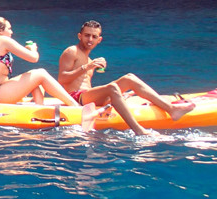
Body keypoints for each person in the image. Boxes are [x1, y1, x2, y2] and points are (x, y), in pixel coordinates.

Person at [57, 20, 195, 135]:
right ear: (79, 36)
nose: (90, 39)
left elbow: (87, 86)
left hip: (88, 97)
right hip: (75, 98)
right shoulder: (72, 51)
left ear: (99, 40)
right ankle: (139, 130)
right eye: (87, 35)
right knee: (112, 87)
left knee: (130, 78)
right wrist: (87, 68)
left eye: (94, 37)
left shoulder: (89, 59)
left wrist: (115, 97)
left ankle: (171, 109)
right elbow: (62, 80)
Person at [0, 17, 86, 112]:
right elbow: (34, 58)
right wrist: (33, 48)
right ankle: (76, 107)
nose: (12, 32)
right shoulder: (2, 40)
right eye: (9, 28)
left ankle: (39, 109)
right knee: (41, 73)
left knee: (34, 80)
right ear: (0, 31)